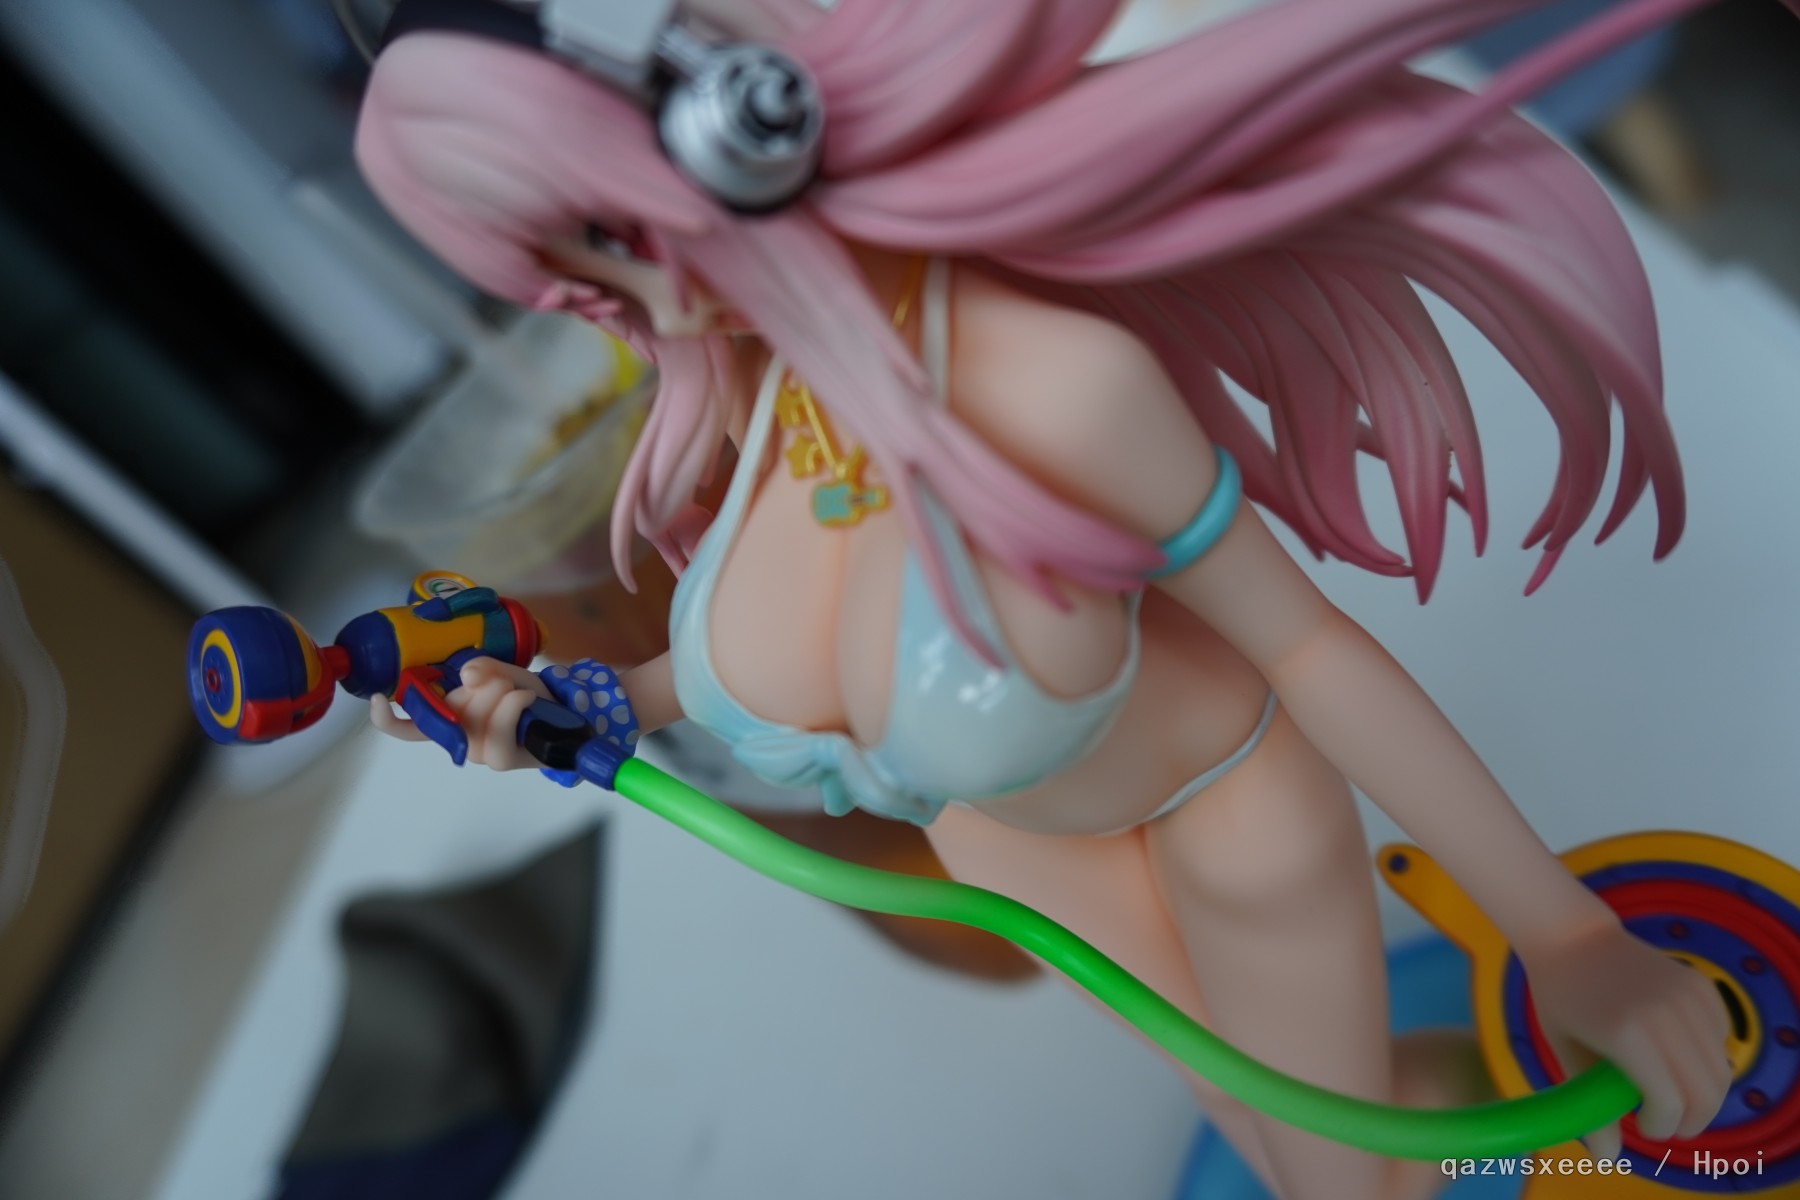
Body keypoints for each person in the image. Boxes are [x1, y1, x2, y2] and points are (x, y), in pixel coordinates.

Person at [349, 1, 1788, 1194]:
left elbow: (1308, 646)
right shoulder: (774, 393)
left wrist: (1569, 939)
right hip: (1018, 861)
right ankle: (1441, 1105)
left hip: (1225, 818)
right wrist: (578, 704)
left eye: (610, 240)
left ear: (743, 130)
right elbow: (760, 674)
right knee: (1277, 1140)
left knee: (1341, 1180)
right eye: (565, 266)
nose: (635, 308)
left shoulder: (1058, 388)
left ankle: (1480, 1134)